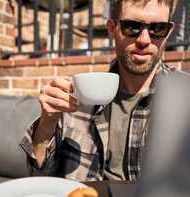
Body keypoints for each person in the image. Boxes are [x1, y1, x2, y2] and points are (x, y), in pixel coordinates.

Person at [20, 0, 178, 181]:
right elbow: (40, 178)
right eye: (132, 27)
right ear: (112, 28)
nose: (144, 39)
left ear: (168, 33)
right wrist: (47, 124)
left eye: (158, 28)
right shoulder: (78, 97)